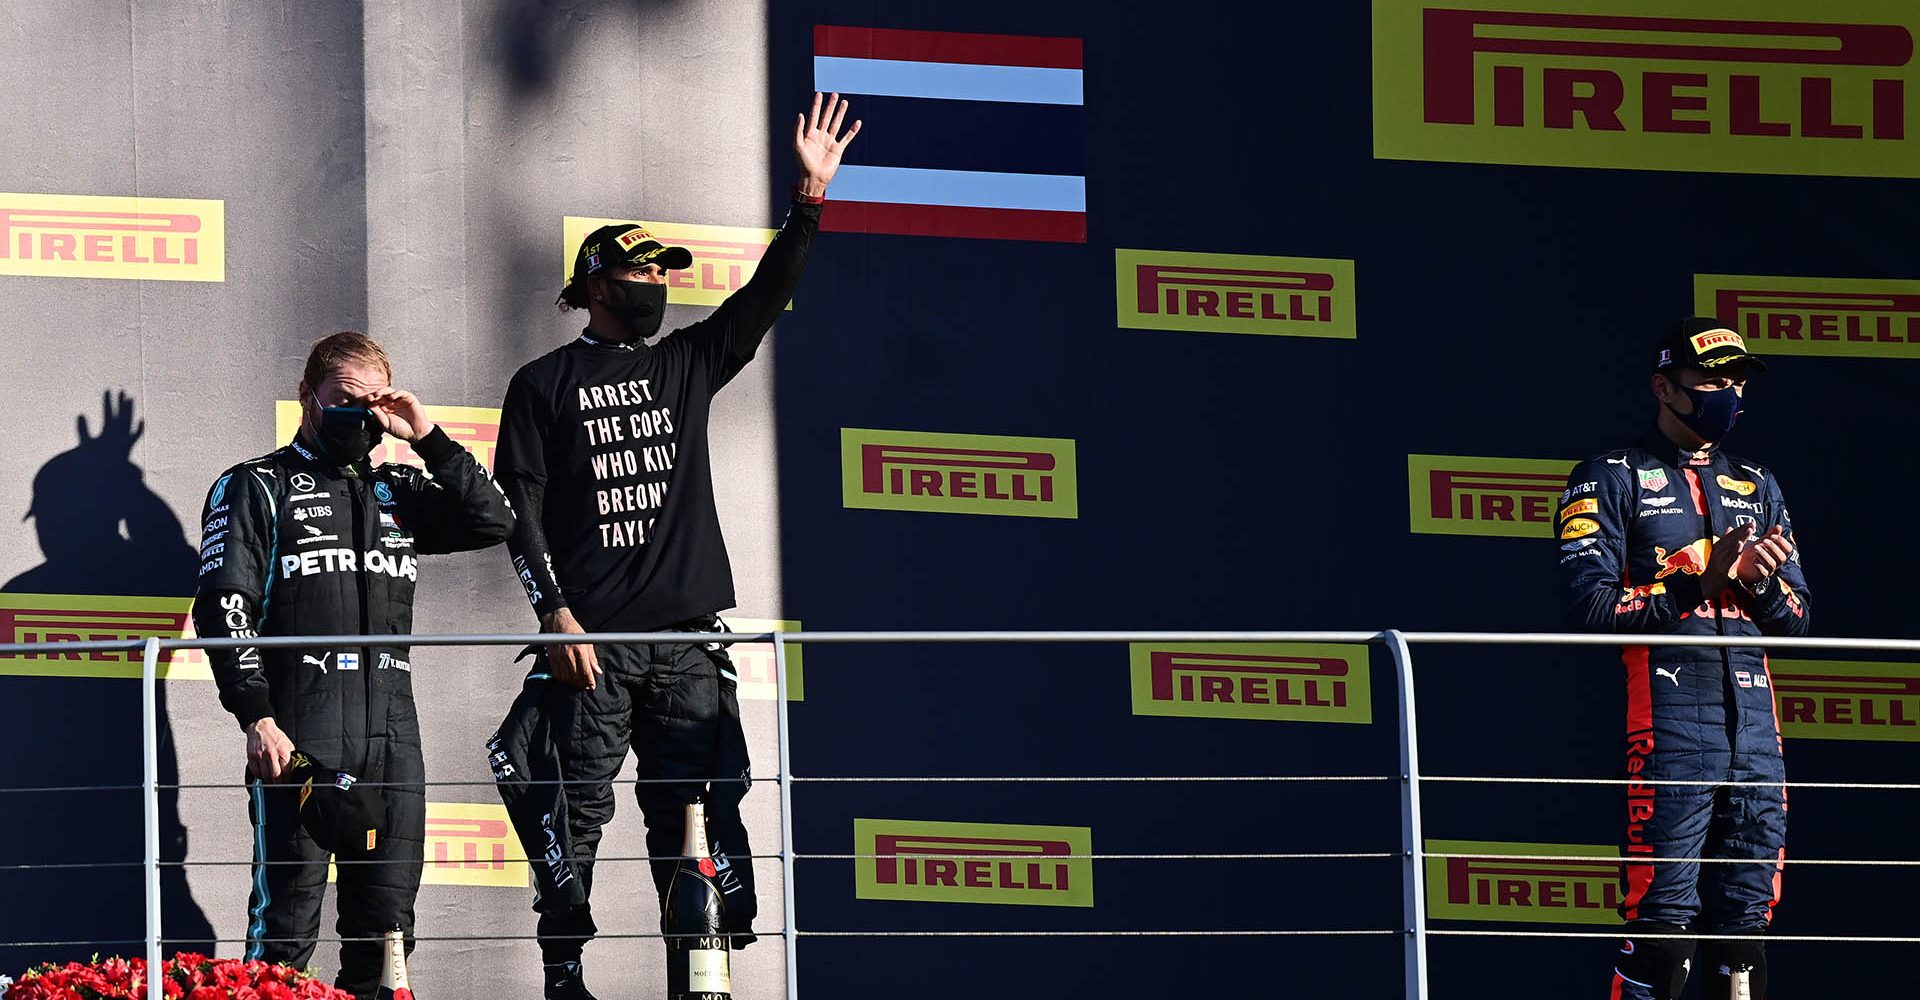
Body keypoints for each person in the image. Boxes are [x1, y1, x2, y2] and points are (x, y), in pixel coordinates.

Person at [487, 92, 860, 1000]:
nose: (656, 287)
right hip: (593, 650)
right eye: (639, 273)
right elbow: (519, 510)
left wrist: (808, 199)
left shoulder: (686, 361)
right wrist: (557, 617)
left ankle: (699, 982)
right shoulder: (542, 383)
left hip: (690, 641)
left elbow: (768, 297)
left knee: (695, 819)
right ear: (597, 284)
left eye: (664, 274)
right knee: (572, 822)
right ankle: (564, 980)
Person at [192, 332, 514, 999]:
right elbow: (224, 607)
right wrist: (257, 717)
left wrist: (424, 434)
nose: (360, 416)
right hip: (299, 739)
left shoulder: (398, 489)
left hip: (394, 741)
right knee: (285, 934)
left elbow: (493, 519)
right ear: (308, 397)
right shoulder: (256, 484)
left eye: (374, 404)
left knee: (388, 933)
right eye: (344, 400)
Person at [1559, 318, 1812, 1000]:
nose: (1728, 394)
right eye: (1711, 381)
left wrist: (1756, 583)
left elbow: (1797, 623)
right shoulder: (1610, 477)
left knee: (1745, 932)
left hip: (1757, 735)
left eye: (1736, 382)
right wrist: (1699, 583)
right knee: (1662, 933)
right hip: (1667, 727)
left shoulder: (1759, 483)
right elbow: (1589, 609)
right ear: (1663, 389)